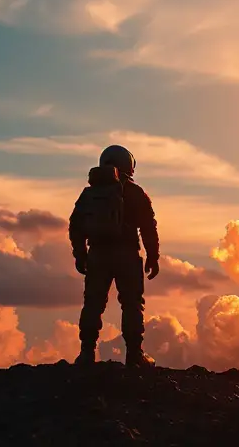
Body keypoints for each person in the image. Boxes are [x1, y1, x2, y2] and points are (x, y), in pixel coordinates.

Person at [69, 144, 160, 367]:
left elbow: (75, 225)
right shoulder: (136, 193)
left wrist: (80, 255)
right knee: (131, 304)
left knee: (93, 303)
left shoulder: (89, 194)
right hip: (127, 254)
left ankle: (86, 354)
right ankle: (134, 355)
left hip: (97, 254)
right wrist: (153, 257)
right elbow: (149, 226)